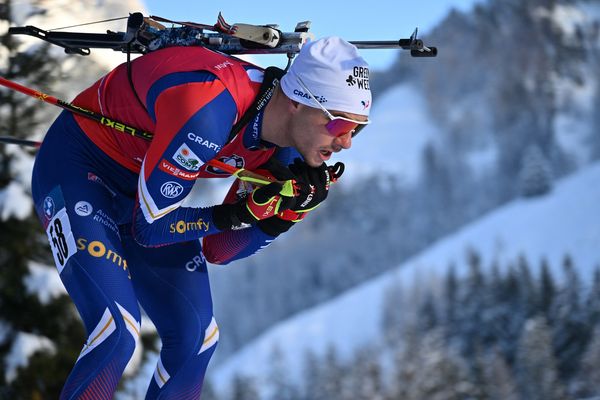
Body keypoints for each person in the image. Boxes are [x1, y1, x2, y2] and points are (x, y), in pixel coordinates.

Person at [31, 35, 371, 399]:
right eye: (338, 125)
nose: (346, 142)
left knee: (198, 337)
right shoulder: (209, 110)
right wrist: (239, 212)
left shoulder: (290, 151)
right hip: (78, 168)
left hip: (143, 194)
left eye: (358, 128)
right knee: (116, 330)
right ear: (297, 102)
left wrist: (283, 216)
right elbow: (149, 230)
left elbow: (219, 249)